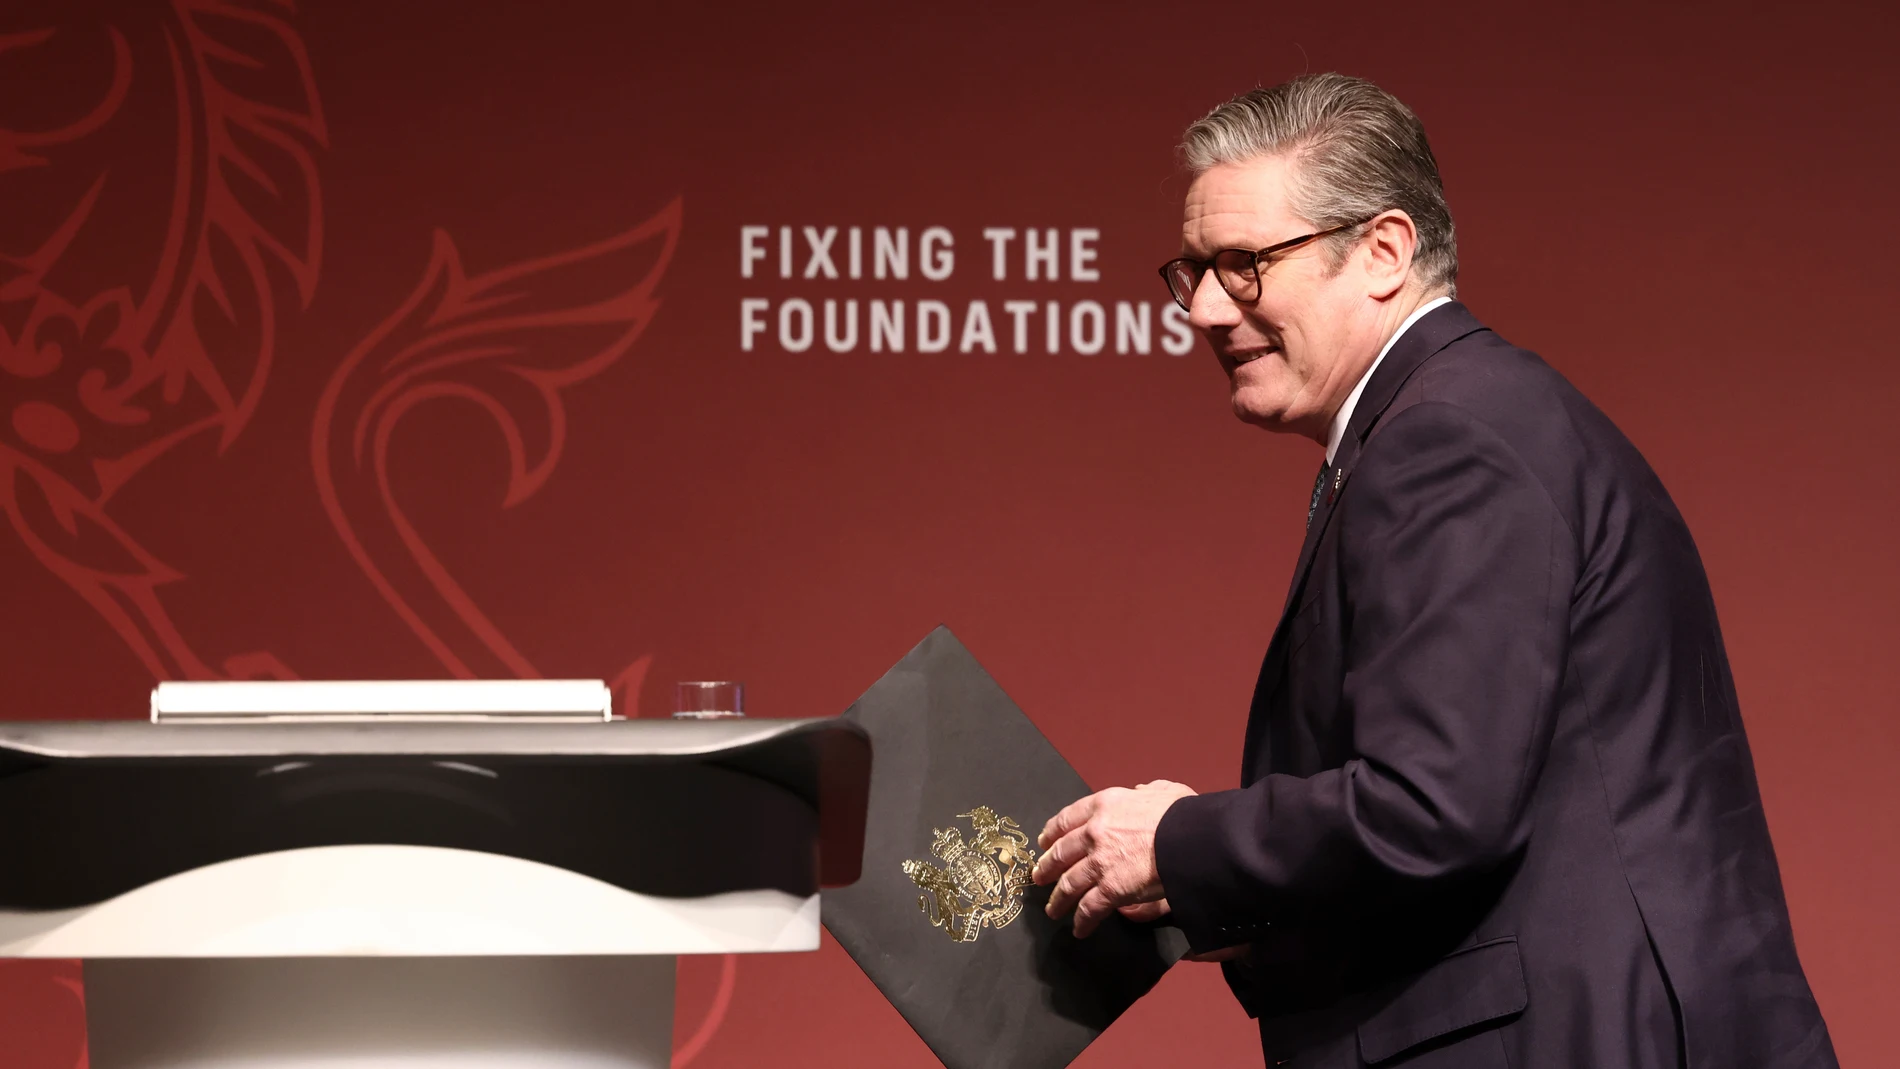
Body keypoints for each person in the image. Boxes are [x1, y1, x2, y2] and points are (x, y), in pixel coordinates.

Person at [1030, 73, 1836, 1068]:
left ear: (1382, 252)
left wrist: (1180, 842)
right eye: (1190, 269)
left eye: (1241, 265)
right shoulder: (1449, 421)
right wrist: (1209, 894)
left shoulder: (1447, 438)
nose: (1201, 308)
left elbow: (1433, 805)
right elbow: (1477, 814)